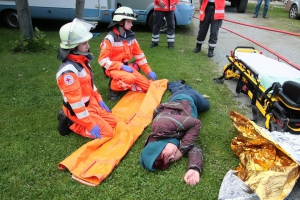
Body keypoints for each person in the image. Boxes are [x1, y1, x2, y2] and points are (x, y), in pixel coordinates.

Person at [140, 80, 210, 186]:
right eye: (170, 160)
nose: (173, 156)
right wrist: (194, 168)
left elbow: (196, 124)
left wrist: (181, 151)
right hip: (192, 108)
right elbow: (194, 148)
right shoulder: (169, 146)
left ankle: (178, 85)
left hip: (184, 98)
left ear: (159, 146)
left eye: (167, 156)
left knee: (205, 104)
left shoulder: (161, 124)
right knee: (204, 104)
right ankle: (181, 86)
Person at [56, 18, 117, 139]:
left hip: (90, 104)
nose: (88, 47)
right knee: (108, 134)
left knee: (113, 122)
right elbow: (76, 103)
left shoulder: (82, 60)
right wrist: (89, 124)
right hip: (78, 110)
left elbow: (89, 83)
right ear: (73, 47)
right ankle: (70, 122)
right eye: (84, 43)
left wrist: (99, 99)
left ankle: (83, 119)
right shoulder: (68, 73)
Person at [98, 6, 157, 101]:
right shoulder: (110, 38)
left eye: (131, 22)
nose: (132, 25)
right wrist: (120, 66)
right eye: (129, 22)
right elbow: (102, 60)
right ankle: (113, 87)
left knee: (146, 87)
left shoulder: (130, 36)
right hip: (112, 68)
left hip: (126, 67)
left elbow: (139, 56)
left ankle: (124, 82)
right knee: (130, 79)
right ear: (121, 22)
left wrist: (148, 71)